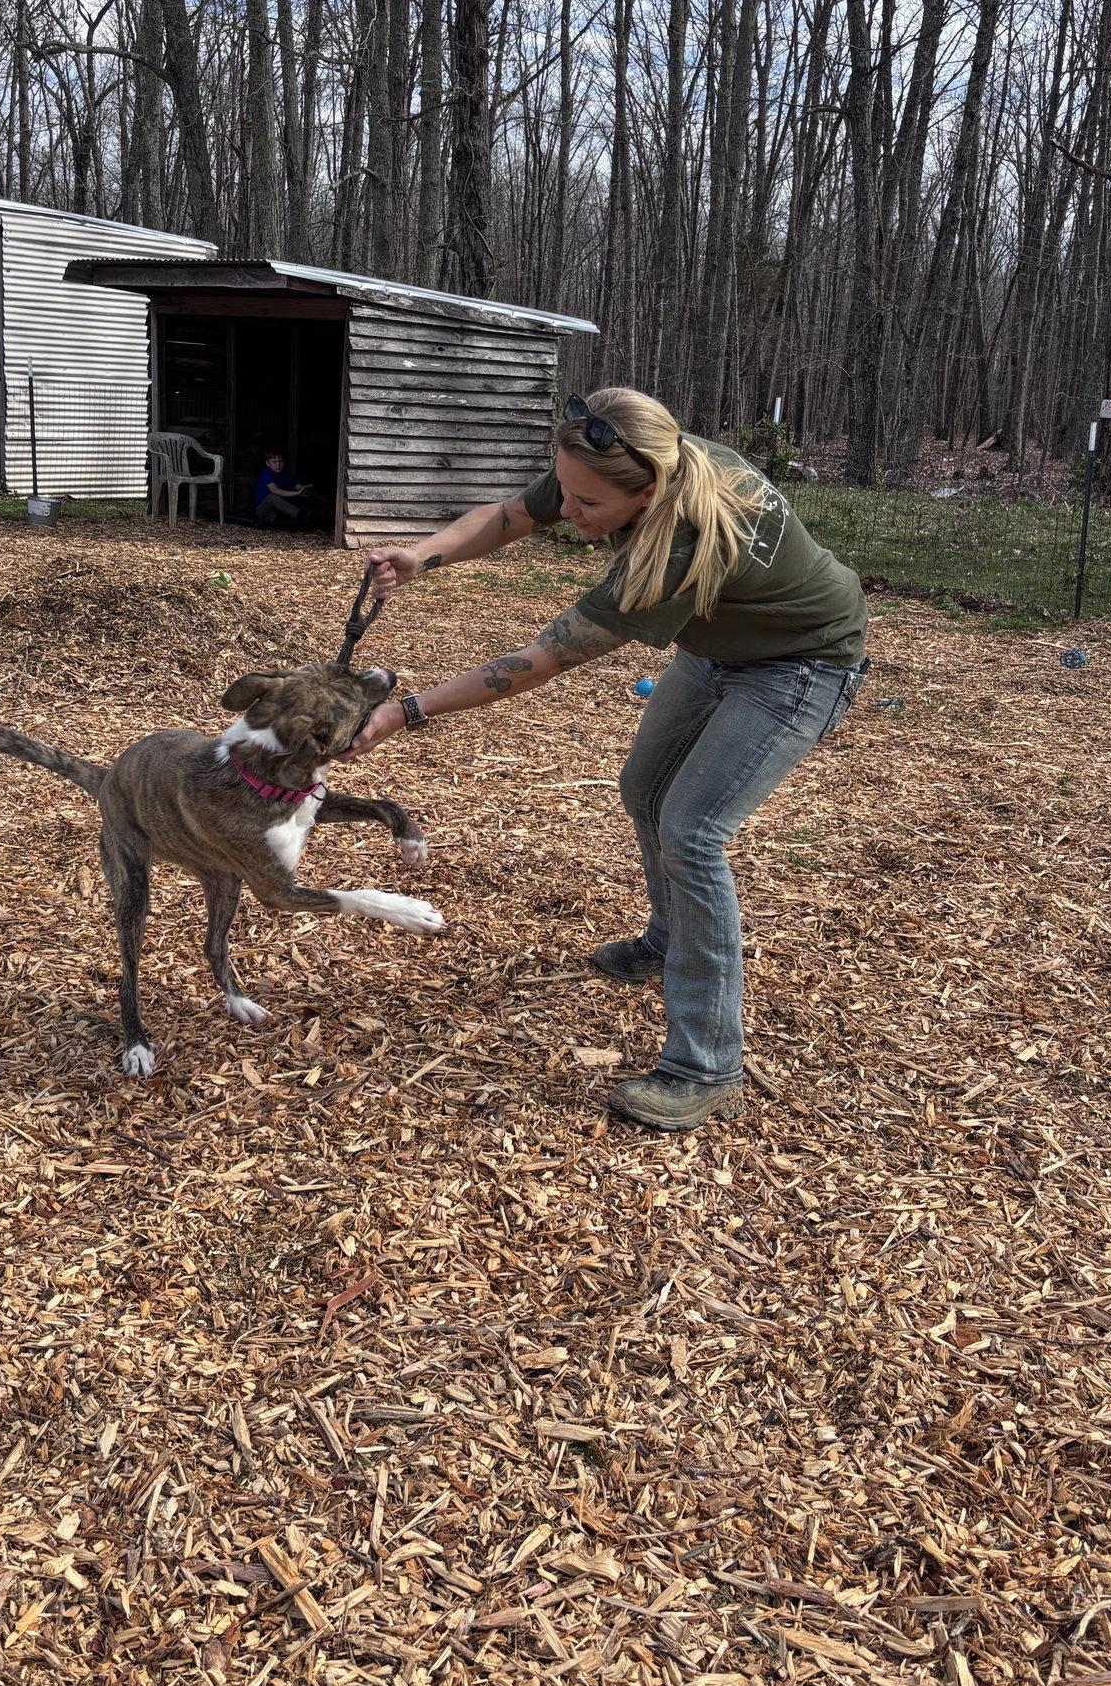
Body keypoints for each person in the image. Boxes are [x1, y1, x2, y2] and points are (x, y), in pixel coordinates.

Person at [346, 387, 869, 1133]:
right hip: (719, 648)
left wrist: (404, 711)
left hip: (802, 663)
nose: (572, 513)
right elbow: (512, 516)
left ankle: (706, 1064)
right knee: (643, 787)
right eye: (566, 490)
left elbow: (535, 662)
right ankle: (666, 940)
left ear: (647, 492)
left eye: (587, 504)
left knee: (693, 829)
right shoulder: (619, 458)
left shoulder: (673, 549)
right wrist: (421, 556)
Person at [254, 453, 321, 529]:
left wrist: (314, 494)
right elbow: (275, 490)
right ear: (267, 463)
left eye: (280, 461)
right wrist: (296, 493)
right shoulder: (266, 473)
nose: (278, 464)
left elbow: (300, 487)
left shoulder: (285, 475)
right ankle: (301, 515)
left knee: (277, 515)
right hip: (262, 509)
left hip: (278, 509)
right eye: (274, 461)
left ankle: (313, 514)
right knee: (271, 497)